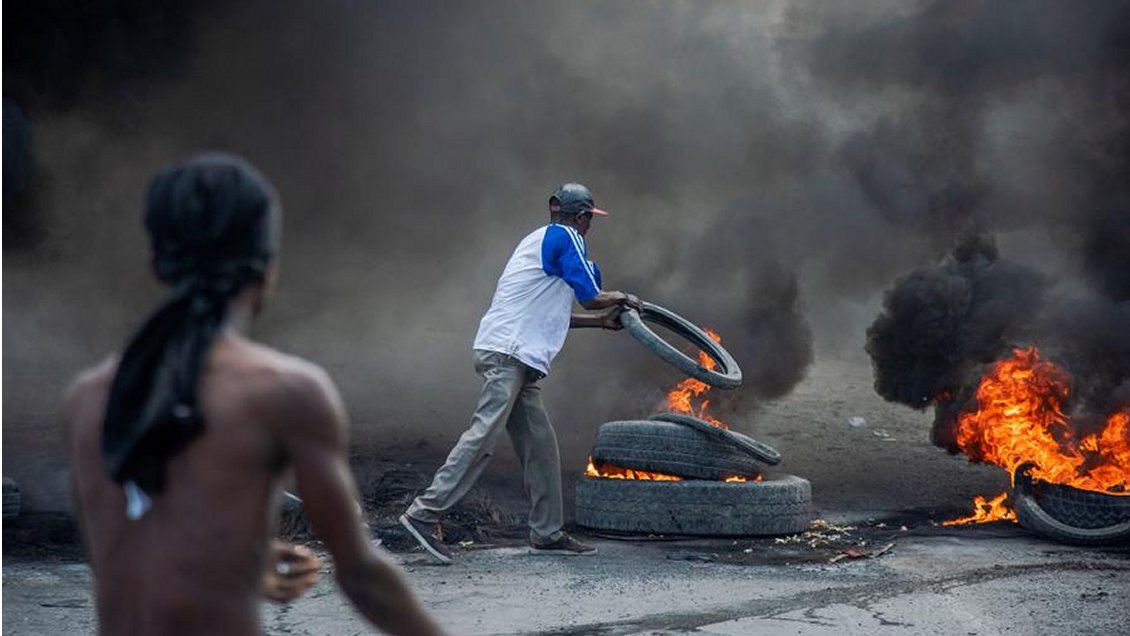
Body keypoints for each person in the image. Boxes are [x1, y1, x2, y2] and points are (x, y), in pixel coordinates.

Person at [63, 153, 448, 636]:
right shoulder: (286, 392)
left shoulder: (87, 399)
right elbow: (363, 577)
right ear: (267, 270)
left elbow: (126, 558)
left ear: (156, 264)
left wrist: (236, 566)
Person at [400, 182, 643, 564]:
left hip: (514, 356)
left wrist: (599, 323)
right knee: (483, 436)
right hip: (509, 355)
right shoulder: (566, 237)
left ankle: (546, 533)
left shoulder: (538, 241)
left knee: (540, 445)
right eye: (589, 219)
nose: (588, 225)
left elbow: (551, 313)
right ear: (582, 218)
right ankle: (422, 515)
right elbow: (592, 294)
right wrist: (624, 298)